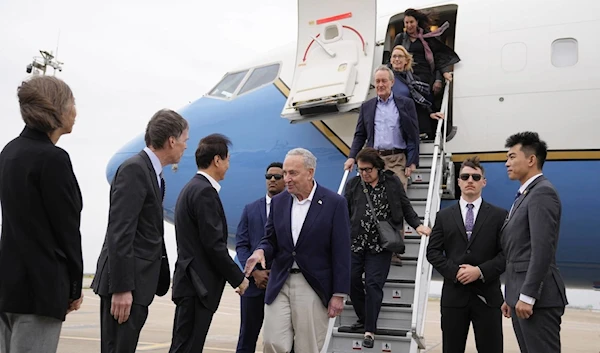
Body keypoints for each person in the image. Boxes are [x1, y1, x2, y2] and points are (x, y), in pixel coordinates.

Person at [91, 109, 189, 353]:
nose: (186, 147)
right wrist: (122, 288)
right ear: (171, 141)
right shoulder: (135, 169)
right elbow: (120, 231)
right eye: (185, 141)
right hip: (126, 287)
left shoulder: (155, 175)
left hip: (139, 284)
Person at [0, 76, 83, 353]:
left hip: (7, 286)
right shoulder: (53, 159)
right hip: (41, 289)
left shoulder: (9, 152)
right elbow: (67, 230)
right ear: (57, 109)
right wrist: (74, 287)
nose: (75, 111)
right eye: (72, 103)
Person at [244, 148, 351, 353]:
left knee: (308, 347)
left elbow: (342, 250)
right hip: (280, 281)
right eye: (285, 173)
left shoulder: (334, 203)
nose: (287, 179)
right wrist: (260, 252)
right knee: (272, 342)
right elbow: (270, 240)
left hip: (312, 283)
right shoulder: (278, 202)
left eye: (292, 173)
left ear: (310, 173)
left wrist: (339, 294)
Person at [169, 134, 249, 352]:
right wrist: (238, 278)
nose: (228, 165)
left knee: (183, 345)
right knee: (188, 347)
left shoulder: (190, 188)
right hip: (198, 287)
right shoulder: (205, 192)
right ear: (217, 160)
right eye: (227, 160)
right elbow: (213, 245)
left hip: (190, 284)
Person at [344, 147, 431, 348]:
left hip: (380, 246)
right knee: (351, 279)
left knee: (374, 285)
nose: (364, 173)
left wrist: (417, 225)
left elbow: (405, 205)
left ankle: (369, 331)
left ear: (377, 167)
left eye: (368, 169)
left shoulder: (391, 182)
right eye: (361, 169)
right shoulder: (354, 184)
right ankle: (365, 317)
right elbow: (343, 211)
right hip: (356, 243)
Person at [426, 156, 507, 353]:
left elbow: (507, 254)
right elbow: (433, 252)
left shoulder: (499, 215)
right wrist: (456, 272)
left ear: (483, 182)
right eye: (465, 176)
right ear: (459, 181)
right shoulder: (443, 216)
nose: (470, 180)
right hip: (454, 298)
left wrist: (479, 271)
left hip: (487, 297)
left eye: (476, 177)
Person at [344, 64, 420, 266]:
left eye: (384, 81)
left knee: (395, 200)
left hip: (396, 158)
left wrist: (412, 162)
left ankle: (395, 247)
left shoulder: (405, 104)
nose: (380, 85)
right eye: (377, 81)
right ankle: (367, 244)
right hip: (373, 159)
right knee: (369, 199)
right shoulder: (367, 106)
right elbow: (360, 134)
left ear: (392, 83)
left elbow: (413, 135)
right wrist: (352, 157)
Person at [501, 132, 568, 353]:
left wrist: (527, 295)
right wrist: (511, 296)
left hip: (537, 300)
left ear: (531, 160)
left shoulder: (542, 193)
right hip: (521, 297)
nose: (507, 163)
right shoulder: (526, 194)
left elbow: (542, 250)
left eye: (512, 157)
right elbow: (518, 251)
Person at [235, 162, 286, 353]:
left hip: (281, 283)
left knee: (280, 340)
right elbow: (241, 245)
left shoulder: (292, 208)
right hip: (254, 286)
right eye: (268, 177)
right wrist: (255, 273)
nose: (272, 180)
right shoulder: (250, 209)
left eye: (277, 177)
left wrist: (275, 273)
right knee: (247, 337)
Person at [388, 45, 444, 139]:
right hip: (394, 124)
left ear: (406, 60)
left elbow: (420, 101)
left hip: (410, 125)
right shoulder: (387, 79)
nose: (397, 59)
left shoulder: (414, 79)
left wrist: (430, 113)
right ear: (390, 60)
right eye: (394, 56)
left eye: (400, 56)